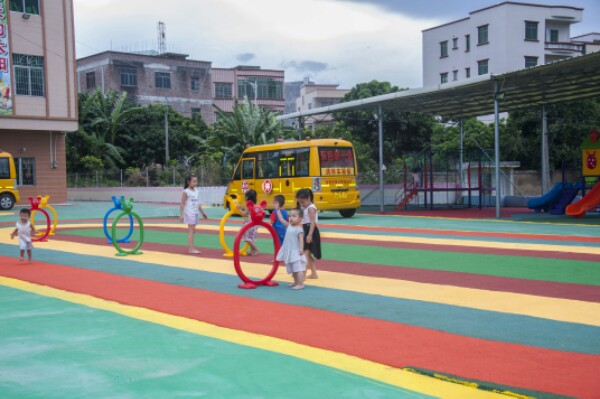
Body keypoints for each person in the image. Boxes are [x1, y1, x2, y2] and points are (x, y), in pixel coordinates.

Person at [276, 208, 306, 290]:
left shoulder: (299, 229)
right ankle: (296, 282)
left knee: (298, 269)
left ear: (300, 218)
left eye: (294, 216)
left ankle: (300, 283)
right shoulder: (289, 225)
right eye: (290, 216)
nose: (291, 218)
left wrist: (301, 249)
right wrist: (278, 211)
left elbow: (301, 239)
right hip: (289, 250)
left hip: (295, 252)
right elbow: (281, 219)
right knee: (293, 269)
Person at [296, 188, 321, 279]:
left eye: (302, 202)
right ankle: (314, 273)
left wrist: (310, 234)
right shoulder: (305, 207)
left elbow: (313, 222)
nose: (301, 205)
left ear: (308, 198)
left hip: (311, 231)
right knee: (308, 253)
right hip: (306, 229)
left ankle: (303, 273)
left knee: (306, 253)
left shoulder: (311, 208)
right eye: (300, 202)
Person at [180, 175, 208, 254]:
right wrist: (181, 215)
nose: (196, 183)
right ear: (188, 182)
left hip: (195, 212)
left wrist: (203, 213)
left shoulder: (196, 191)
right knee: (191, 230)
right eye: (194, 181)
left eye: (196, 181)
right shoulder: (186, 191)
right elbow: (182, 203)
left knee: (193, 230)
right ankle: (191, 249)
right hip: (189, 212)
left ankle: (191, 248)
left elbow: (198, 203)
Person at [241, 189, 260, 256]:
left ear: (248, 197)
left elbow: (244, 214)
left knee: (246, 237)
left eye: (245, 196)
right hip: (254, 223)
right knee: (250, 237)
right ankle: (252, 251)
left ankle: (256, 249)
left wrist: (239, 209)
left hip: (249, 223)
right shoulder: (254, 204)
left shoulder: (248, 204)